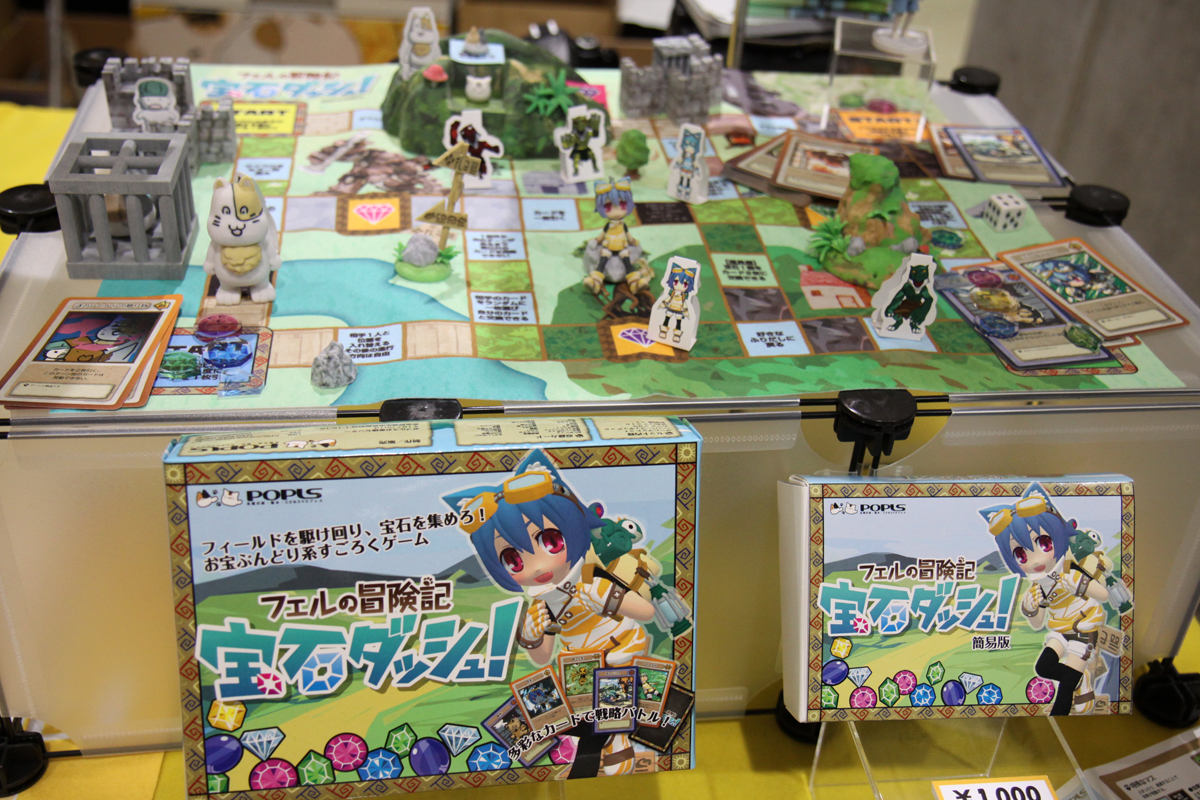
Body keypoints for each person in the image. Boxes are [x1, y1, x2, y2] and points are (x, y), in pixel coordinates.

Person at [980, 484, 1109, 715]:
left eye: (1044, 544)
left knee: (1065, 689)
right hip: (1060, 631)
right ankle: (1080, 678)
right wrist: (1030, 608)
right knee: (1043, 667)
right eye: (1021, 555)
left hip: (1083, 629)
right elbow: (1038, 624)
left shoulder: (1070, 571)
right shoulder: (1038, 585)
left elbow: (1104, 595)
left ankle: (1072, 687)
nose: (1036, 560)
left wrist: (1079, 585)